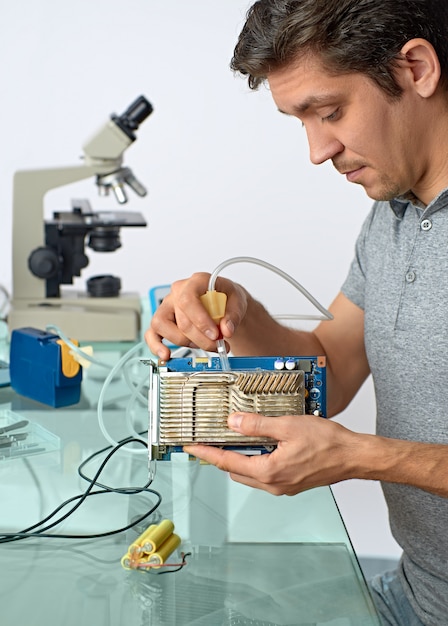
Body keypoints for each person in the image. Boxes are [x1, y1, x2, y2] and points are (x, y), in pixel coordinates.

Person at [145, 1, 448, 624]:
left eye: (330, 112)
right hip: (416, 591)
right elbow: (330, 369)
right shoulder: (391, 216)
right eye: (299, 120)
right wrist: (238, 310)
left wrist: (362, 457)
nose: (317, 150)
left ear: (416, 68)